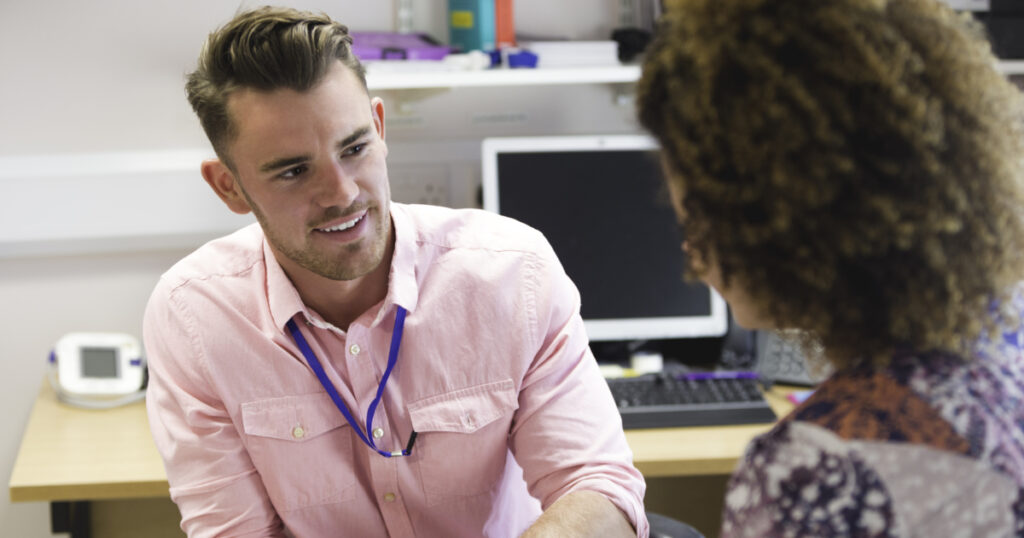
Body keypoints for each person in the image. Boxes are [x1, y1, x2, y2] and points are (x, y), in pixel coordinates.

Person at [143, 6, 647, 537]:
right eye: (293, 171)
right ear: (229, 187)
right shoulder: (194, 318)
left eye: (355, 148)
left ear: (380, 129)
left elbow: (598, 486)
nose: (342, 194)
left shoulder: (514, 274)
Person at [637, 0, 1024, 535]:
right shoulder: (1008, 329)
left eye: (697, 218)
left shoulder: (816, 468)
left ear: (775, 219)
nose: (690, 253)